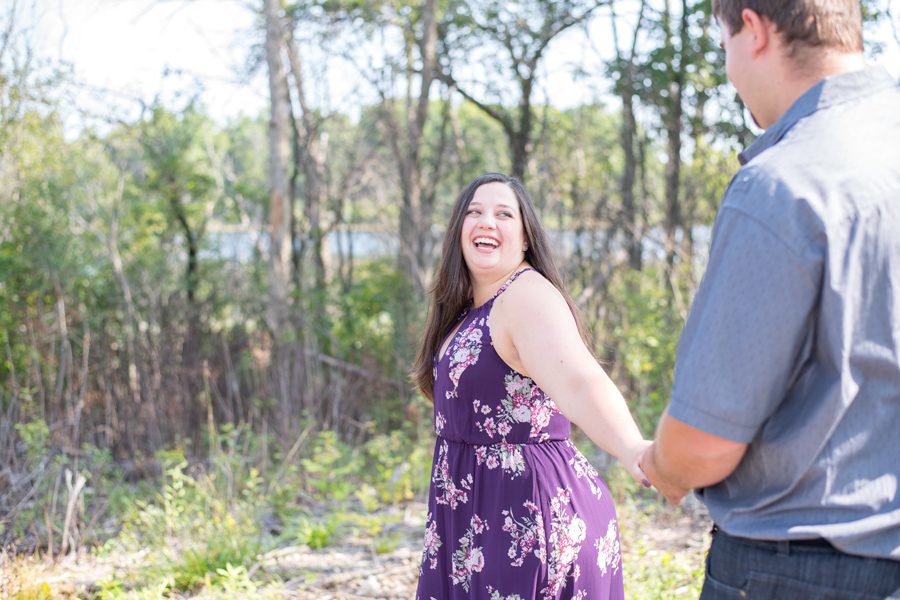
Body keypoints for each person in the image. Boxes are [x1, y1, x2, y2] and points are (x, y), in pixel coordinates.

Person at [639, 1, 900, 598]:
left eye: (724, 42)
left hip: (804, 571)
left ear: (753, 30)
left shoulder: (785, 185)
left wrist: (661, 464)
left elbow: (705, 444)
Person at [412, 172, 649, 599]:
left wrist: (632, 447)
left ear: (524, 239)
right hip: (474, 516)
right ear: (458, 233)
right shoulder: (470, 308)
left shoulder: (525, 296)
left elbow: (578, 380)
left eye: (504, 213)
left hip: (526, 518)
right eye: (474, 212)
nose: (487, 221)